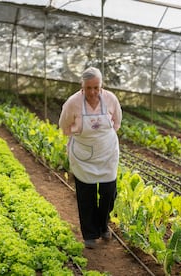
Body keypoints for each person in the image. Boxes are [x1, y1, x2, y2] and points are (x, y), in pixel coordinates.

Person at [59, 67, 122, 249]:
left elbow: (117, 122)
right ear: (82, 86)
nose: (93, 92)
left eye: (96, 87)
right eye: (89, 88)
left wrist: (101, 139)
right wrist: (80, 133)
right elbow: (64, 127)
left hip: (107, 152)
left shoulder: (111, 99)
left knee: (109, 192)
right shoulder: (73, 103)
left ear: (101, 86)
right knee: (85, 194)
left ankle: (103, 226)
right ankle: (90, 234)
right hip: (83, 154)